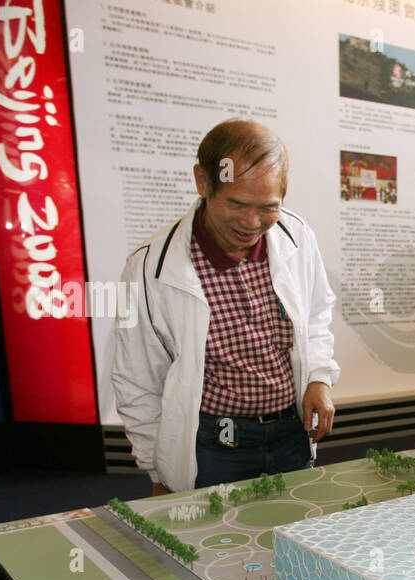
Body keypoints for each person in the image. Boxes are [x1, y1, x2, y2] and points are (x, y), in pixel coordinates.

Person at [113, 119, 339, 494]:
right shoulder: (149, 266)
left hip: (290, 432)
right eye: (236, 204)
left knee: (295, 540)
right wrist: (158, 471)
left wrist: (318, 376)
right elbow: (137, 379)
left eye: (268, 207)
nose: (251, 223)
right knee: (212, 545)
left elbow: (317, 313)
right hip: (215, 443)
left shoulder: (296, 234)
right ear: (203, 182)